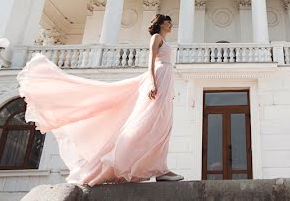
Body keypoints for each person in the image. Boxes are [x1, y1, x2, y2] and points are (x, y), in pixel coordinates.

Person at [17, 14, 184, 185]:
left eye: (171, 22)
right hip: (158, 77)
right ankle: (152, 168)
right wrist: (153, 83)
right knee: (151, 125)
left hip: (166, 80)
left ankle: (159, 168)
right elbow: (151, 62)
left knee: (163, 127)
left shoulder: (166, 42)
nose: (171, 24)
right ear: (160, 24)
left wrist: (169, 90)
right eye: (168, 22)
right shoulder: (156, 38)